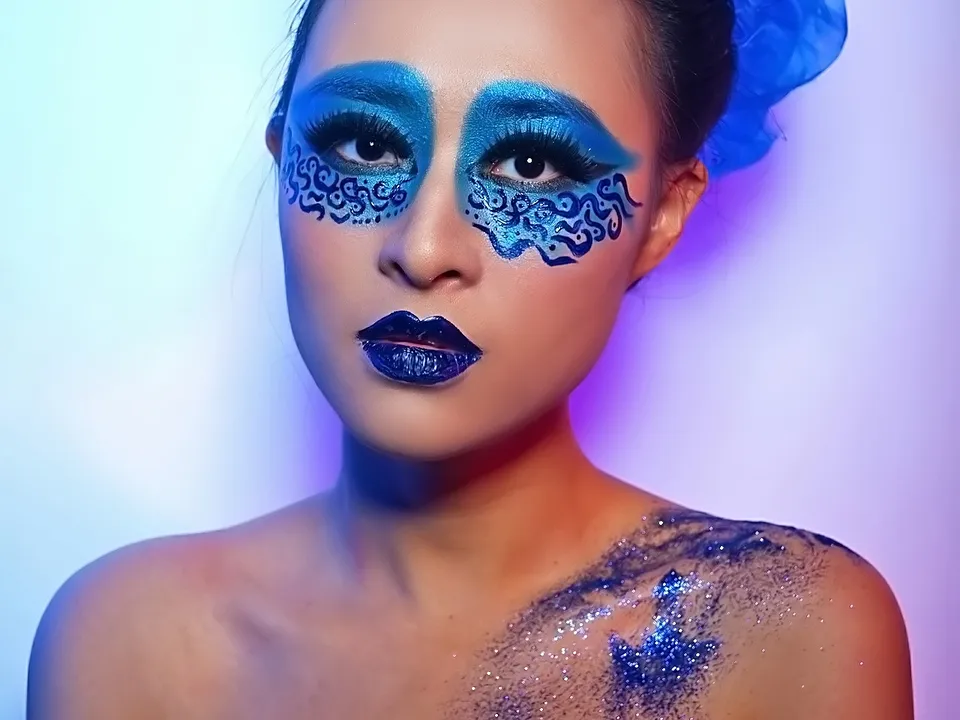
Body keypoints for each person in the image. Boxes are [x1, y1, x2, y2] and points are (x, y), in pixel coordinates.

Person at [26, 0, 914, 718]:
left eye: (530, 162)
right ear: (283, 155)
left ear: (664, 215)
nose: (423, 248)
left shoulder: (774, 629)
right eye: (366, 145)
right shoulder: (127, 640)